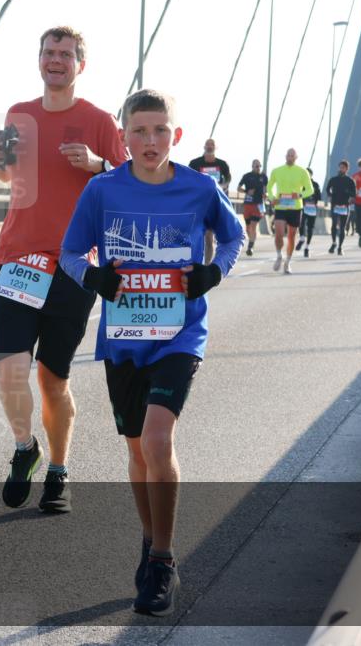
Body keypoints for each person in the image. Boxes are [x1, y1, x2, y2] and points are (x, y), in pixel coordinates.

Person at [60, 88, 244, 616]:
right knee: (138, 450)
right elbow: (71, 252)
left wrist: (212, 273)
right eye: (139, 131)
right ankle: (150, 536)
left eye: (160, 130)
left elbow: (233, 239)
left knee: (159, 439)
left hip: (179, 335)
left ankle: (163, 561)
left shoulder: (200, 188)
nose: (150, 140)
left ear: (176, 135)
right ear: (122, 137)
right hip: (123, 338)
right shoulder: (101, 190)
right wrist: (95, 277)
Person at [0, 25, 128, 514]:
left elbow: (131, 182)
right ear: (39, 59)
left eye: (66, 54)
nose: (56, 60)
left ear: (80, 65)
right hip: (19, 259)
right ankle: (26, 448)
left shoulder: (100, 121)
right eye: (49, 52)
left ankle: (59, 471)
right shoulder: (18, 114)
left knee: (52, 379)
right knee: (10, 371)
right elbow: (10, 173)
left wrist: (97, 163)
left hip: (73, 264)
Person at [266, 148, 312, 274]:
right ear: (285, 156)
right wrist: (272, 198)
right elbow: (269, 187)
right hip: (280, 207)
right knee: (279, 234)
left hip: (295, 208)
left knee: (291, 236)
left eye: (292, 155)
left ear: (296, 157)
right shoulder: (277, 170)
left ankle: (287, 262)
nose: (290, 157)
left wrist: (299, 195)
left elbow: (310, 189)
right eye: (288, 155)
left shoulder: (302, 171)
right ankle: (279, 255)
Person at [188, 139, 231, 263]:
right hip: (198, 203)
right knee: (195, 236)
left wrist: (222, 186)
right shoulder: (195, 163)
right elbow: (188, 179)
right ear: (204, 146)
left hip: (213, 203)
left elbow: (228, 178)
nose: (210, 146)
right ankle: (194, 261)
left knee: (209, 237)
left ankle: (206, 266)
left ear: (216, 147)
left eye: (212, 144)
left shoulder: (222, 164)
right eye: (208, 144)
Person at [237, 159, 267, 255]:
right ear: (252, 166)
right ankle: (251, 241)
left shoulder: (264, 177)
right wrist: (246, 191)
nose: (258, 168)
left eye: (259, 166)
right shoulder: (247, 176)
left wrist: (265, 195)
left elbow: (265, 189)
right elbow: (238, 188)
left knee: (253, 226)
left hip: (258, 205)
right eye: (256, 166)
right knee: (248, 228)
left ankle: (250, 247)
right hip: (248, 204)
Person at [326, 160, 355, 255]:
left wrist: (349, 195)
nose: (341, 169)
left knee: (342, 227)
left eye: (343, 168)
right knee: (334, 224)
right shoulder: (334, 179)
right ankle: (334, 242)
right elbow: (328, 189)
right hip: (335, 205)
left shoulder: (350, 180)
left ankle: (340, 247)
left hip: (345, 206)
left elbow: (354, 193)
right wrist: (330, 195)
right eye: (340, 167)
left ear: (347, 169)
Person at [295, 167, 323, 257]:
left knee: (310, 228)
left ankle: (307, 247)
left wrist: (315, 202)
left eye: (308, 173)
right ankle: (302, 238)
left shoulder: (315, 185)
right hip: (303, 207)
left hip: (312, 209)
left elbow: (319, 197)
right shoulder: (300, 184)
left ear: (311, 175)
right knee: (301, 223)